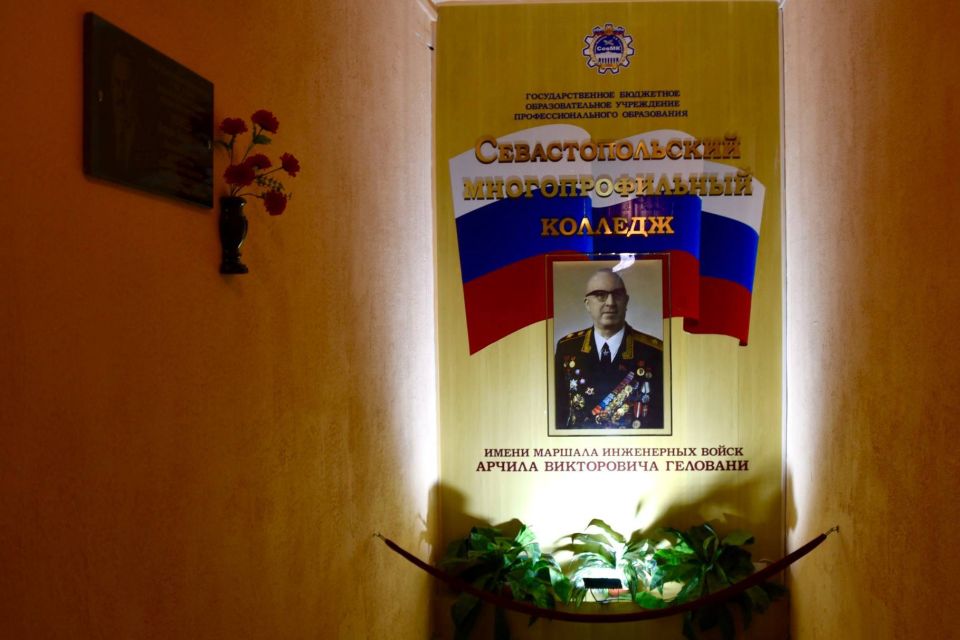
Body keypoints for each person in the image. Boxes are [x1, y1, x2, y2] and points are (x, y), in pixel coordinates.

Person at [555, 268, 663, 429]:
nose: (610, 303)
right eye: (601, 295)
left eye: (617, 295)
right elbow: (558, 415)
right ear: (587, 304)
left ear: (626, 301)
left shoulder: (654, 352)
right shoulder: (568, 348)